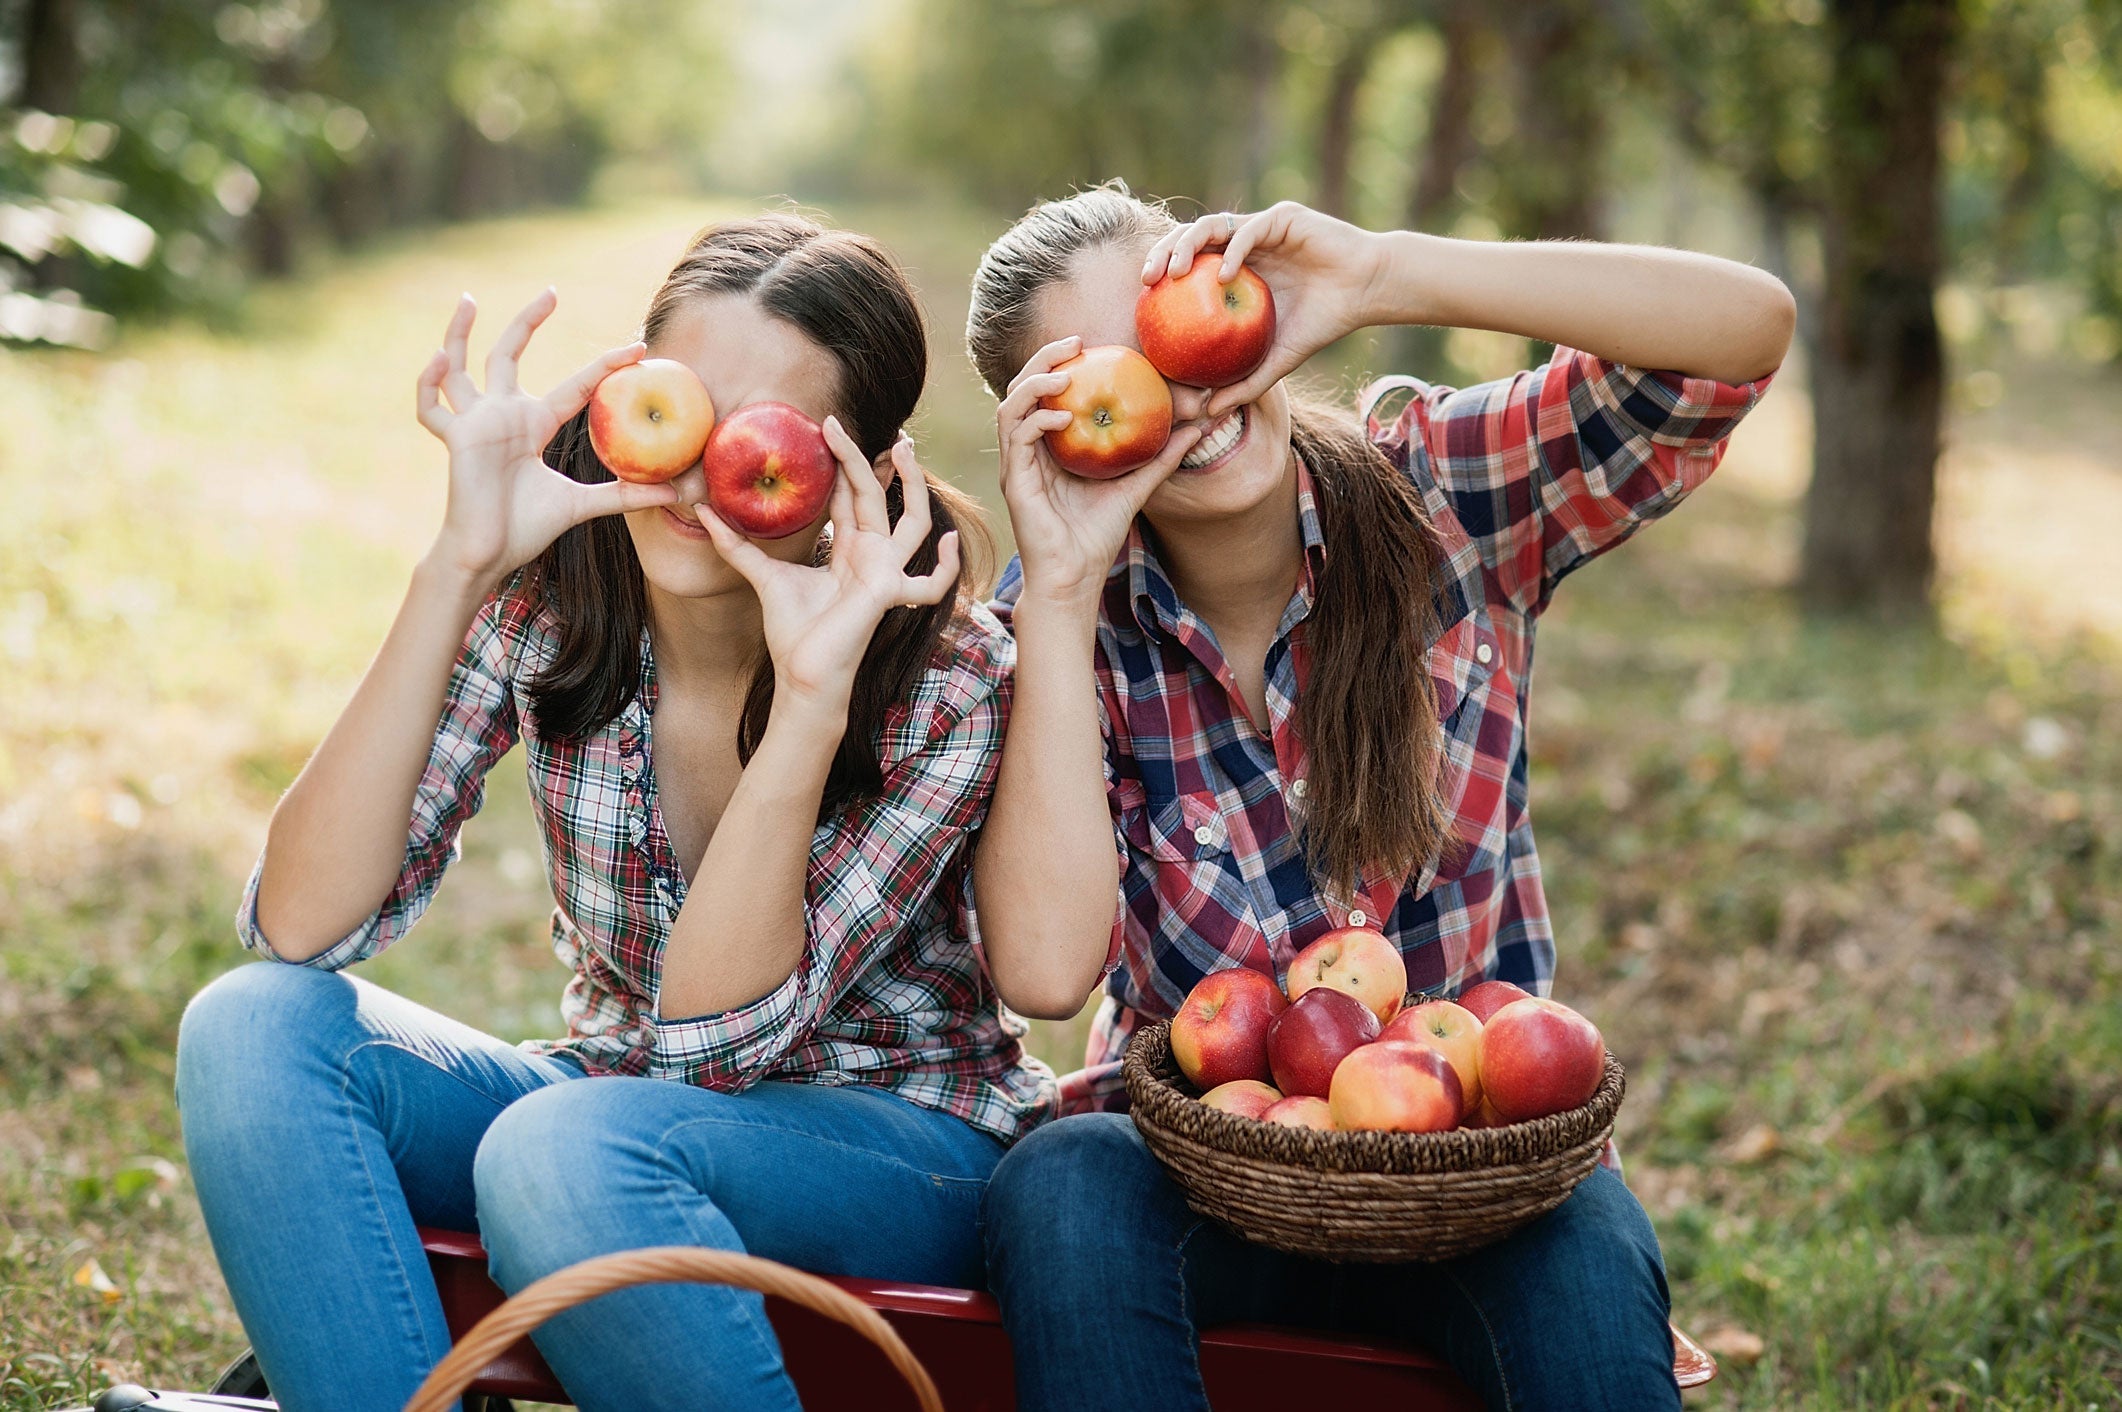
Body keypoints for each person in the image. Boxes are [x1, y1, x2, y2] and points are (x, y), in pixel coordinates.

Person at [174, 213, 1053, 1412]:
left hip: (896, 1147)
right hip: (605, 1112)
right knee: (252, 1027)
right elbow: (300, 920)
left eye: (757, 434)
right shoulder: (558, 598)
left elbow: (712, 1045)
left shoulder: (947, 677)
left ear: (864, 475)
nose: (696, 474)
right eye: (675, 409)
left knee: (566, 1145)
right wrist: (459, 564)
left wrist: (810, 699)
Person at [963, 186, 1794, 1411]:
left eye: (1185, 328)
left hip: (1475, 1172)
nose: (1184, 397)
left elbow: (1740, 337)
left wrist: (1383, 276)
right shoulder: (1053, 630)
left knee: (1589, 1248)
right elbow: (1041, 971)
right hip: (1198, 1169)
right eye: (1115, 380)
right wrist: (1060, 587)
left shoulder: (1439, 495)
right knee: (1061, 1182)